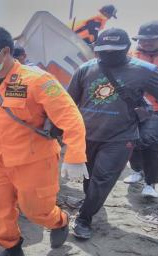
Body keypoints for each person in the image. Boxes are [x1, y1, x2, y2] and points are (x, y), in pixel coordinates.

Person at [0, 26, 87, 256]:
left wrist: (75, 156)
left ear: (4, 51)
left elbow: (71, 117)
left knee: (36, 211)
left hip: (34, 159)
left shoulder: (39, 80)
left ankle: (59, 220)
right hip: (0, 157)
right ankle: (11, 248)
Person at [67, 28, 158, 239]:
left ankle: (84, 218)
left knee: (103, 178)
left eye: (114, 51)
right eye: (103, 50)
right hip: (87, 134)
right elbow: (69, 103)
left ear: (127, 48)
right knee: (89, 176)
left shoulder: (145, 71)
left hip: (120, 136)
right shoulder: (85, 69)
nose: (107, 55)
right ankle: (91, 203)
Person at [123, 21, 158, 198]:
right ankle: (137, 170)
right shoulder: (131, 55)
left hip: (156, 109)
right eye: (143, 39)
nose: (147, 43)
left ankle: (150, 183)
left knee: (149, 141)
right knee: (131, 140)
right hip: (132, 105)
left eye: (152, 39)